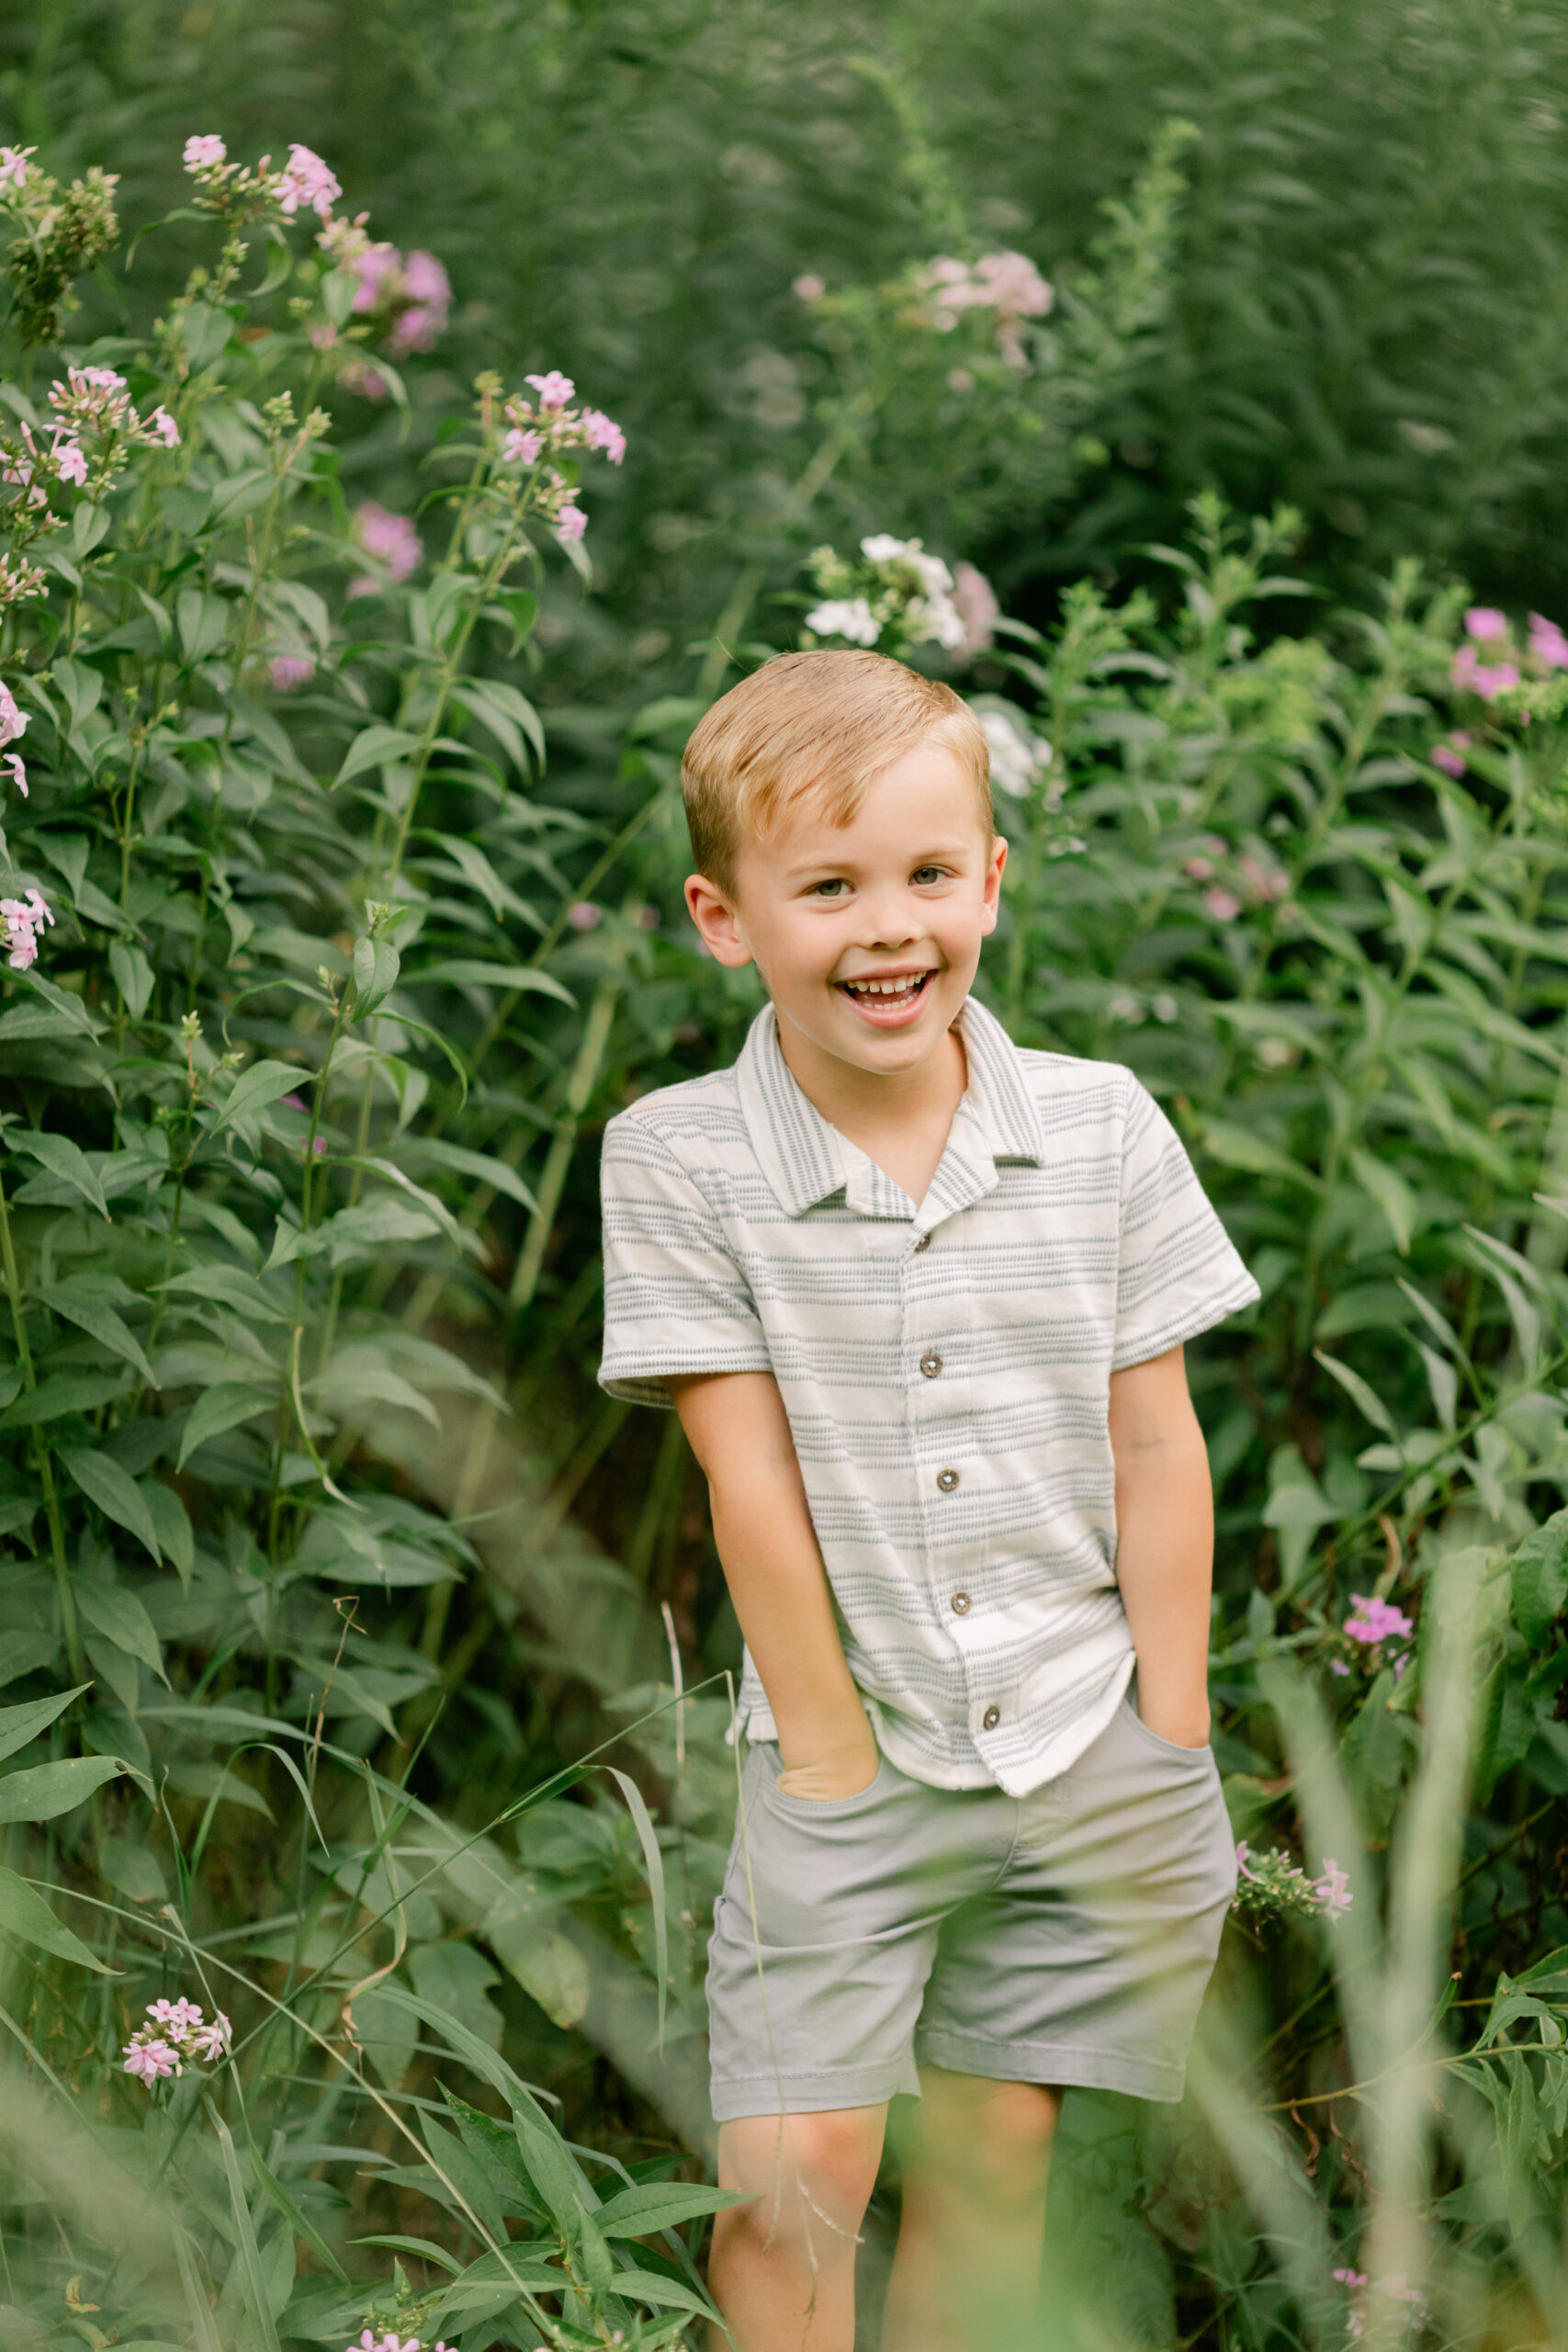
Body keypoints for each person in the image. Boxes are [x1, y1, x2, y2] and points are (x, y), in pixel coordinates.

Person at [597, 649, 1258, 2352]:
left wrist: (1170, 1726)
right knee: (791, 2172)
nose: (889, 927)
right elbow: (745, 1476)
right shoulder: (681, 1159)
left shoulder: (1101, 1132)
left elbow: (1157, 1445)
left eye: (927, 875)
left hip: (1078, 1728)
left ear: (990, 880)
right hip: (854, 1745)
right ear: (724, 915)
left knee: (992, 2149)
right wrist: (824, 1759)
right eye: (828, 887)